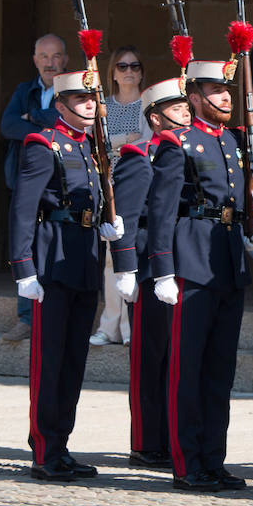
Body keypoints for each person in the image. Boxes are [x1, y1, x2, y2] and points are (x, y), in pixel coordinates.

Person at [145, 53, 253, 493]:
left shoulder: (232, 141)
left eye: (226, 91)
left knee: (219, 369)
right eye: (215, 91)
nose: (223, 98)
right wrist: (162, 270)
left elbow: (250, 187)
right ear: (193, 97)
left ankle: (213, 458)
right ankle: (187, 462)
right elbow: (161, 211)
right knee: (188, 368)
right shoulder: (177, 143)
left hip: (229, 260)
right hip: (192, 260)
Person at [8, 69, 124, 482]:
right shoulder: (44, 145)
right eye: (81, 99)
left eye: (92, 98)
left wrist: (107, 225)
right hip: (52, 260)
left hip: (83, 259)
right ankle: (44, 448)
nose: (90, 105)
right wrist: (24, 268)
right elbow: (23, 209)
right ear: (60, 106)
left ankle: (62, 444)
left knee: (73, 361)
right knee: (51, 359)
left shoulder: (91, 149)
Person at [107, 76, 192, 469]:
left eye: (187, 108)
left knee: (179, 357)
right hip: (149, 269)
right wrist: (125, 266)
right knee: (151, 356)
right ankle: (145, 440)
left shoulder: (192, 152)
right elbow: (125, 215)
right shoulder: (142, 154)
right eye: (177, 110)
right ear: (155, 119)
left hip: (185, 265)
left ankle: (174, 435)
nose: (185, 115)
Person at [0, 33, 68, 343]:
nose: (50, 62)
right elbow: (8, 125)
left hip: (63, 183)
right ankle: (26, 318)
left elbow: (67, 120)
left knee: (59, 249)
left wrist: (36, 117)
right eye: (44, 56)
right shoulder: (23, 90)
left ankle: (55, 317)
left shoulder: (73, 90)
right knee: (24, 247)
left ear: (65, 60)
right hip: (26, 179)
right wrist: (41, 128)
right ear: (35, 60)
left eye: (56, 56)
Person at [90, 46, 153, 347]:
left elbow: (146, 145)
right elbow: (96, 145)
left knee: (130, 258)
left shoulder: (148, 105)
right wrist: (120, 141)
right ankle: (109, 325)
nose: (129, 71)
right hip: (107, 186)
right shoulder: (103, 106)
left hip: (137, 188)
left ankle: (129, 328)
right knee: (109, 261)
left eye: (135, 66)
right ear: (113, 72)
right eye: (122, 66)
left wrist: (118, 145)